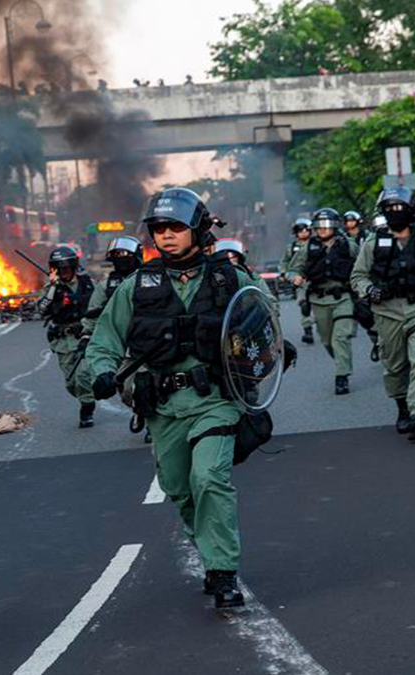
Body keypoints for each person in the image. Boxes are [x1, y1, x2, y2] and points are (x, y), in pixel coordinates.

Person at [87, 187, 278, 609]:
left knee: (209, 477)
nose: (167, 235)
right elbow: (104, 340)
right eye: (159, 229)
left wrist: (268, 351)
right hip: (162, 407)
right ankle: (212, 557)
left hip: (216, 399)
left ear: (197, 228)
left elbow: (266, 320)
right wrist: (100, 372)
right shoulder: (136, 286)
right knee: (180, 488)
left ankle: (224, 573)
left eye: (175, 227)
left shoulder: (230, 278)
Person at [351, 187, 415, 441]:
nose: (395, 212)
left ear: (411, 210)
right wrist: (369, 290)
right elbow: (358, 276)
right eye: (389, 208)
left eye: (400, 207)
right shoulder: (373, 241)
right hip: (386, 311)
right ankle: (402, 407)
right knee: (395, 365)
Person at [288, 208, 358, 395]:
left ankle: (342, 376)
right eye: (319, 225)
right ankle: (342, 361)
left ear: (335, 225)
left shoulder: (349, 245)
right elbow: (293, 269)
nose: (322, 229)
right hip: (319, 299)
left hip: (343, 298)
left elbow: (364, 266)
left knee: (340, 338)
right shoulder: (307, 248)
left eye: (327, 224)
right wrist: (294, 277)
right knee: (327, 341)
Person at [36, 246, 98, 428]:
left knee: (83, 375)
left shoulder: (88, 283)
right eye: (58, 269)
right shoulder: (51, 288)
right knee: (71, 383)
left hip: (87, 335)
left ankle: (87, 407)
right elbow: (41, 309)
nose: (63, 272)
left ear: (73, 267)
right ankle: (85, 400)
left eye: (66, 268)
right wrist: (53, 287)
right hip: (64, 341)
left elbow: (101, 305)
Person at [280, 218, 316, 344]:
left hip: (317, 279)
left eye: (306, 229)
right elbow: (284, 262)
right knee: (304, 305)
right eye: (300, 230)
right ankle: (308, 331)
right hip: (301, 280)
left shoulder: (316, 245)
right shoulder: (292, 248)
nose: (304, 232)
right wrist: (284, 273)